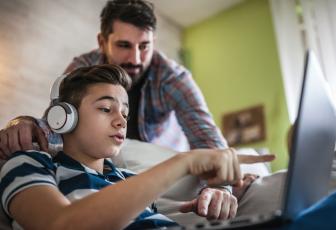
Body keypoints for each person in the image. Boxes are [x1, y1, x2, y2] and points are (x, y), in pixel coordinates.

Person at [0, 0, 241, 220]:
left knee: (238, 169)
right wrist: (22, 124)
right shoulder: (82, 70)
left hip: (159, 158)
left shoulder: (173, 78)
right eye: (124, 45)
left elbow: (208, 139)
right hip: (121, 161)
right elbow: (58, 122)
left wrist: (220, 187)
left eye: (144, 47)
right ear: (102, 42)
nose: (135, 58)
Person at [0, 64, 274, 229]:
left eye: (125, 113)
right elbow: (60, 225)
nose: (121, 121)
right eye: (106, 108)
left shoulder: (127, 179)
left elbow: (161, 209)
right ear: (63, 117)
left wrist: (220, 194)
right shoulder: (29, 163)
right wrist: (184, 161)